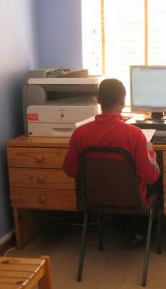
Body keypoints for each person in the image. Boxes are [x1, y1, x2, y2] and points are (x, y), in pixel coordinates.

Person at [63, 78, 160, 241]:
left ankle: (121, 225)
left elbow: (70, 170)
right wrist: (152, 156)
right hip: (131, 199)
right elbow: (150, 177)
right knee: (158, 180)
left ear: (98, 100)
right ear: (122, 102)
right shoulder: (134, 134)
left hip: (96, 198)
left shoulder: (80, 134)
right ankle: (141, 231)